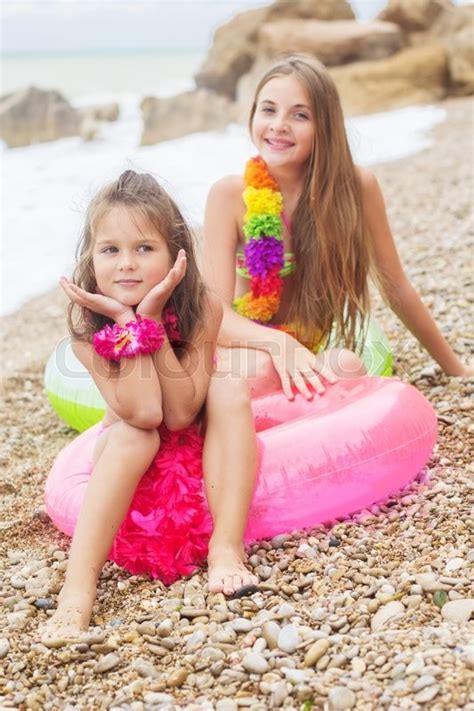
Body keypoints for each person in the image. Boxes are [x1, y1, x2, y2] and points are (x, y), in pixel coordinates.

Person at [201, 54, 473, 595]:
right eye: (268, 109)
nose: (278, 126)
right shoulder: (230, 193)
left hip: (301, 352)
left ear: (325, 124)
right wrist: (276, 346)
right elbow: (211, 313)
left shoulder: (355, 188)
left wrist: (456, 369)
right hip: (241, 346)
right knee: (258, 371)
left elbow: (395, 287)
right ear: (252, 114)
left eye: (299, 115)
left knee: (347, 363)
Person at [42, 170, 225, 641]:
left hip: (193, 455)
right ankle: (76, 593)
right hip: (131, 455)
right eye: (111, 250)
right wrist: (128, 320)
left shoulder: (202, 306)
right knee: (132, 435)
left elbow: (182, 414)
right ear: (92, 257)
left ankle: (227, 546)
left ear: (174, 254)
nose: (127, 264)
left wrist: (152, 323)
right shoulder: (86, 330)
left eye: (144, 248)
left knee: (230, 389)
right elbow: (145, 414)